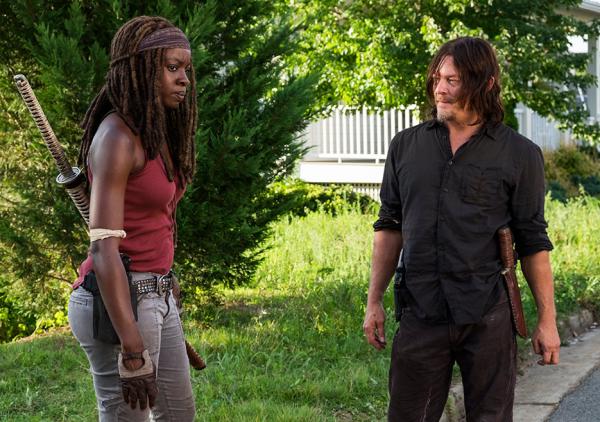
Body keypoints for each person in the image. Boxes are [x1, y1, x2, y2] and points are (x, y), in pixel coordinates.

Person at [363, 37, 560, 422]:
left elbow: (533, 242)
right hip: (421, 312)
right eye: (437, 78)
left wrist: (547, 321)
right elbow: (389, 226)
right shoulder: (406, 146)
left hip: (488, 315)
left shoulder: (519, 154)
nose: (440, 88)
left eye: (452, 80)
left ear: (486, 83)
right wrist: (374, 302)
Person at [67, 16, 197, 421]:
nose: (184, 79)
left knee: (180, 414)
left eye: (186, 69)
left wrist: (166, 282)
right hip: (117, 300)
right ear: (140, 70)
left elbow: (156, 220)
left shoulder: (156, 132)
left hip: (158, 295)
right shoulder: (116, 138)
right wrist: (132, 345)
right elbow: (103, 250)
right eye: (172, 67)